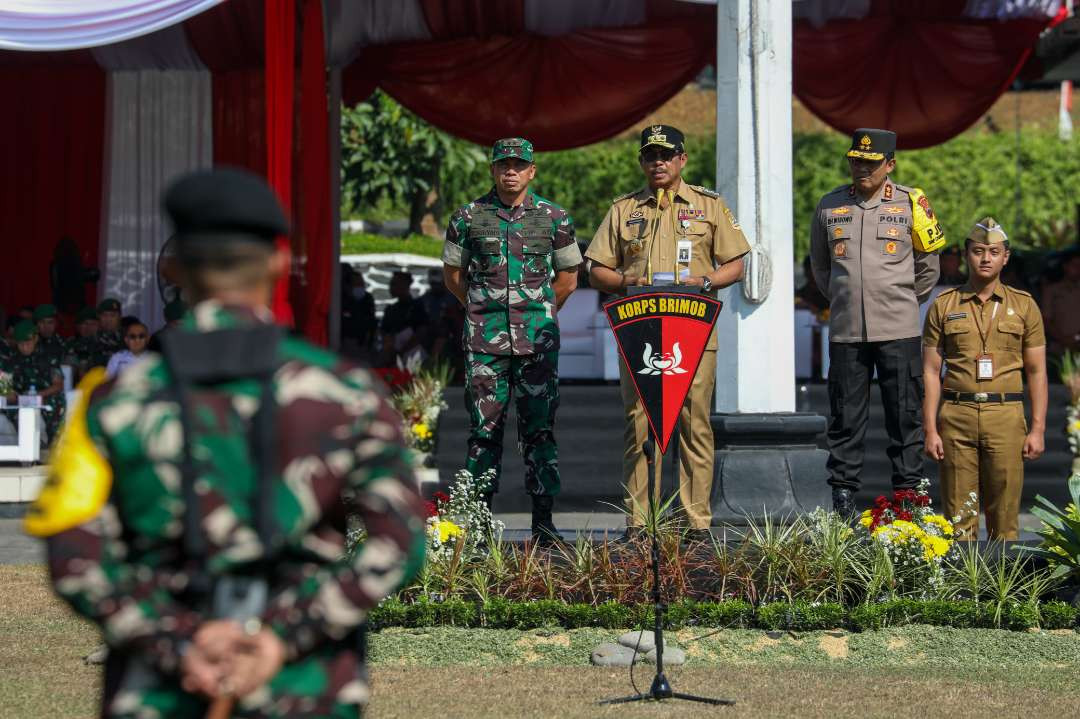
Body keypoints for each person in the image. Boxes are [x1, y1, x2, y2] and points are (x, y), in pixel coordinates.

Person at [26, 167, 427, 717]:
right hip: (304, 687)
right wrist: (279, 637)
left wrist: (178, 641)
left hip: (161, 691)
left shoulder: (111, 401)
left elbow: (74, 554)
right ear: (280, 265)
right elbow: (400, 543)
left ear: (175, 270)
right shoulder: (348, 394)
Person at [586, 125, 749, 541]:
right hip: (639, 327)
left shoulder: (709, 206)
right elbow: (596, 269)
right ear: (642, 162)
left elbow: (737, 262)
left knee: (695, 423)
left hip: (692, 328)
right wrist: (625, 280)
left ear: (682, 159)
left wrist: (707, 282)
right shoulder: (625, 210)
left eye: (666, 155)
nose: (658, 162)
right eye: (650, 156)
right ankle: (640, 522)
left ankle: (696, 521)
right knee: (639, 424)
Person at [443, 137, 581, 545]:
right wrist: (481, 310)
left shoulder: (555, 217)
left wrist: (538, 312)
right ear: (492, 169)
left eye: (518, 165)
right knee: (483, 432)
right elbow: (453, 275)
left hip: (537, 345)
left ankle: (543, 520)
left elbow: (569, 278)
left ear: (532, 171)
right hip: (484, 345)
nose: (510, 171)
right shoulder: (467, 216)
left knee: (539, 432)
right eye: (503, 164)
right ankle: (481, 523)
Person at [809, 128, 944, 516]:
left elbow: (927, 267)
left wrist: (898, 300)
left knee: (904, 416)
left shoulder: (911, 203)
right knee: (846, 419)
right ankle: (844, 499)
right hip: (848, 330)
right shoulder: (830, 204)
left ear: (890, 164)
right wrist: (844, 297)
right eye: (856, 161)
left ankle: (908, 499)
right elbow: (820, 265)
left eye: (871, 163)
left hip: (898, 329)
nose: (862, 168)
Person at [922, 217, 1047, 540]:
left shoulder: (1024, 306)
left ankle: (1003, 589)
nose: (986, 258)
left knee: (1004, 517)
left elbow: (1036, 371)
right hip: (957, 414)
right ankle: (963, 590)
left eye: (994, 251)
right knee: (958, 515)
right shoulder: (944, 306)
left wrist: (1037, 428)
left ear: (1006, 257)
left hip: (1005, 415)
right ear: (967, 255)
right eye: (978, 251)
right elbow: (931, 371)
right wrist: (930, 428)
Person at [4, 320, 65, 443]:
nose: (25, 347)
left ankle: (50, 443)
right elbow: (4, 388)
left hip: (45, 397)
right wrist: (12, 395)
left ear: (35, 339)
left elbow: (58, 385)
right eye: (21, 344)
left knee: (55, 402)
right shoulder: (9, 361)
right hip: (19, 401)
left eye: (28, 342)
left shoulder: (49, 357)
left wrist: (38, 395)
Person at [378, 271, 429, 367]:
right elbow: (384, 331)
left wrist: (403, 350)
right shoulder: (390, 309)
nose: (391, 288)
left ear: (404, 285)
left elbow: (421, 332)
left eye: (394, 284)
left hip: (412, 355)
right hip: (392, 354)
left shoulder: (416, 307)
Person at [1040, 248, 1080, 358]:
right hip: (1058, 348)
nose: (1078, 269)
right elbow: (1046, 320)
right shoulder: (1052, 290)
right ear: (1065, 267)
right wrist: (1064, 339)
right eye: (1074, 265)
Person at [68, 306, 102, 378]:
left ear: (99, 326)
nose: (89, 327)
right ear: (77, 326)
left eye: (93, 324)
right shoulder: (69, 344)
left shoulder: (104, 344)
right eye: (85, 323)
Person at [32, 304, 66, 369]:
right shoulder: (29, 343)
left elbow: (69, 369)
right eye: (42, 322)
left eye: (50, 322)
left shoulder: (63, 343)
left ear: (56, 324)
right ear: (36, 324)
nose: (46, 327)